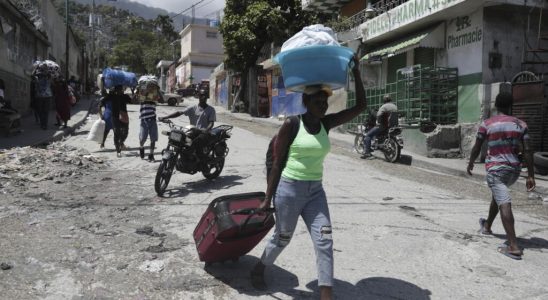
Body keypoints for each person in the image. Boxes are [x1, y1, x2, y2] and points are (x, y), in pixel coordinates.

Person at [250, 56, 366, 300]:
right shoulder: (292, 124)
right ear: (306, 101)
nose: (323, 105)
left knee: (324, 240)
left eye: (325, 101)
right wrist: (267, 198)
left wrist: (356, 72)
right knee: (282, 239)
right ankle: (259, 268)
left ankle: (326, 295)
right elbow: (277, 162)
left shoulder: (327, 123)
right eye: (317, 101)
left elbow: (360, 107)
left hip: (316, 193)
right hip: (289, 191)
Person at [467, 92, 535, 260]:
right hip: (514, 170)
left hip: (496, 170)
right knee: (497, 196)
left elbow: (477, 147)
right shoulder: (521, 124)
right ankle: (487, 225)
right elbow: (527, 150)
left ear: (496, 106)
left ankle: (513, 246)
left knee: (504, 201)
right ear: (510, 105)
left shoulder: (487, 124)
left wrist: (471, 162)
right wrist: (530, 175)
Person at [159, 89, 216, 160]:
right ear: (198, 96)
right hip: (193, 131)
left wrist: (206, 130)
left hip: (203, 133)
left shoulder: (211, 110)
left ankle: (204, 166)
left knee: (198, 145)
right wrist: (165, 117)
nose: (203, 97)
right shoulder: (193, 107)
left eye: (205, 95)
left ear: (207, 97)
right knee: (181, 141)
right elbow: (179, 112)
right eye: (201, 95)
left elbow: (211, 123)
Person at [99, 85, 131, 156]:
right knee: (116, 133)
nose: (120, 91)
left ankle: (120, 143)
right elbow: (102, 102)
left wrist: (134, 93)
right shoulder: (112, 96)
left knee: (125, 132)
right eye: (118, 90)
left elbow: (131, 101)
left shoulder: (124, 96)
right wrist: (101, 114)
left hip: (123, 116)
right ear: (115, 90)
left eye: (121, 89)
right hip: (113, 117)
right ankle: (118, 150)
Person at [138, 83, 160, 161]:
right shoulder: (143, 97)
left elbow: (161, 99)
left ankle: (151, 154)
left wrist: (158, 90)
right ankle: (141, 148)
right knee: (142, 139)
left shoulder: (154, 97)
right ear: (147, 88)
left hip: (153, 121)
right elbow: (138, 98)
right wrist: (145, 92)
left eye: (152, 87)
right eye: (149, 87)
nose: (151, 88)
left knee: (153, 139)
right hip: (144, 121)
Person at [31, 66, 54, 130]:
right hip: (45, 97)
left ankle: (43, 124)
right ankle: (44, 124)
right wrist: (36, 69)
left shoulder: (43, 79)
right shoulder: (39, 79)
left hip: (42, 97)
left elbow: (32, 75)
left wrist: (35, 69)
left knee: (42, 111)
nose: (42, 76)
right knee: (44, 111)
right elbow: (32, 76)